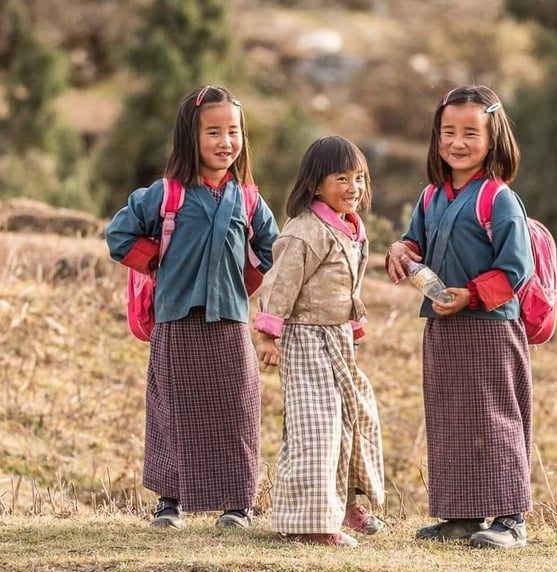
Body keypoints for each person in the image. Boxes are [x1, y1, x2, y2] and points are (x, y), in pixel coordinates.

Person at [105, 85, 280, 530]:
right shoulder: (165, 195)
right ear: (190, 137)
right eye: (213, 132)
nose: (226, 142)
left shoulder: (249, 199)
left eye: (234, 131)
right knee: (173, 410)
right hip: (176, 317)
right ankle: (170, 502)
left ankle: (237, 505)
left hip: (230, 321)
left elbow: (271, 250)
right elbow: (118, 236)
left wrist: (243, 285)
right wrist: (159, 265)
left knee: (237, 409)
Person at [385, 85, 534, 549]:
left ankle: (511, 520)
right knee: (450, 418)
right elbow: (415, 242)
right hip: (442, 327)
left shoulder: (499, 199)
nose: (457, 142)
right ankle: (463, 516)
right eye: (448, 131)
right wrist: (400, 250)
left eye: (471, 132)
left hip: (491, 328)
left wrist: (470, 296)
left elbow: (516, 269)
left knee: (495, 418)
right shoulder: (431, 196)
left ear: (494, 139)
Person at [254, 135, 386, 548]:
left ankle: (342, 503)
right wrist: (268, 334)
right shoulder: (305, 231)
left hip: (338, 338)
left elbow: (348, 285)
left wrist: (354, 326)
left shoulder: (351, 228)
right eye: (341, 178)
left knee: (352, 420)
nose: (354, 187)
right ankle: (310, 523)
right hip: (306, 338)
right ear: (315, 185)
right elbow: (280, 283)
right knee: (317, 429)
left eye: (359, 178)